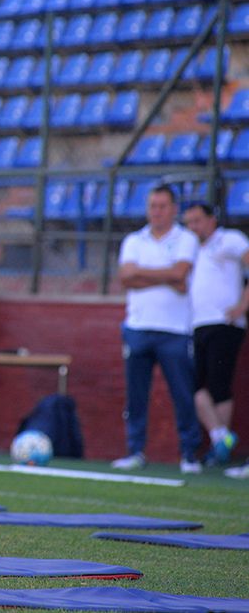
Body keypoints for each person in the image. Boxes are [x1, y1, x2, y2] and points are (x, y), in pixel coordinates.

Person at [113, 184, 202, 474]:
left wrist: (142, 274)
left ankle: (189, 453)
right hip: (138, 327)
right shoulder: (134, 240)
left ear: (174, 209)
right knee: (136, 395)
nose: (157, 212)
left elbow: (181, 274)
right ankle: (134, 450)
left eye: (163, 206)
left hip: (174, 329)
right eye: (153, 206)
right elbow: (126, 278)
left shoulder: (186, 238)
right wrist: (167, 277)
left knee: (182, 393)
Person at [182, 203, 249, 464]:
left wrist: (243, 304)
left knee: (219, 384)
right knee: (194, 384)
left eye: (197, 221)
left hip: (224, 323)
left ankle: (219, 446)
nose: (193, 227)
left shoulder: (228, 239)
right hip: (197, 324)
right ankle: (221, 436)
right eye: (189, 222)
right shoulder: (191, 249)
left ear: (211, 220)